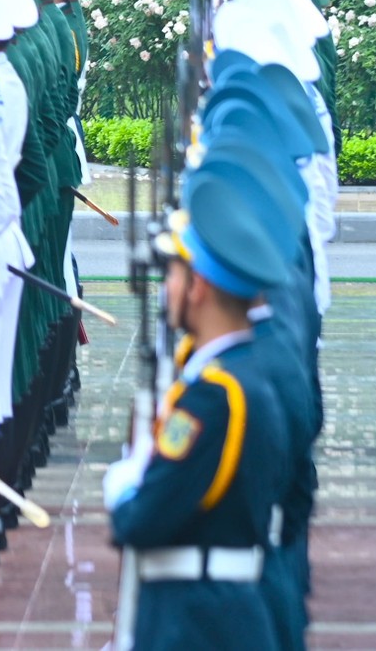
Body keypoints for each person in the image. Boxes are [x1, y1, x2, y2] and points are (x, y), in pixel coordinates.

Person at [106, 175, 290, 651]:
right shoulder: (247, 372)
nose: (165, 286)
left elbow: (139, 519)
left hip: (196, 623)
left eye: (173, 274)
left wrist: (124, 481)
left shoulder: (214, 398)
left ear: (199, 287)